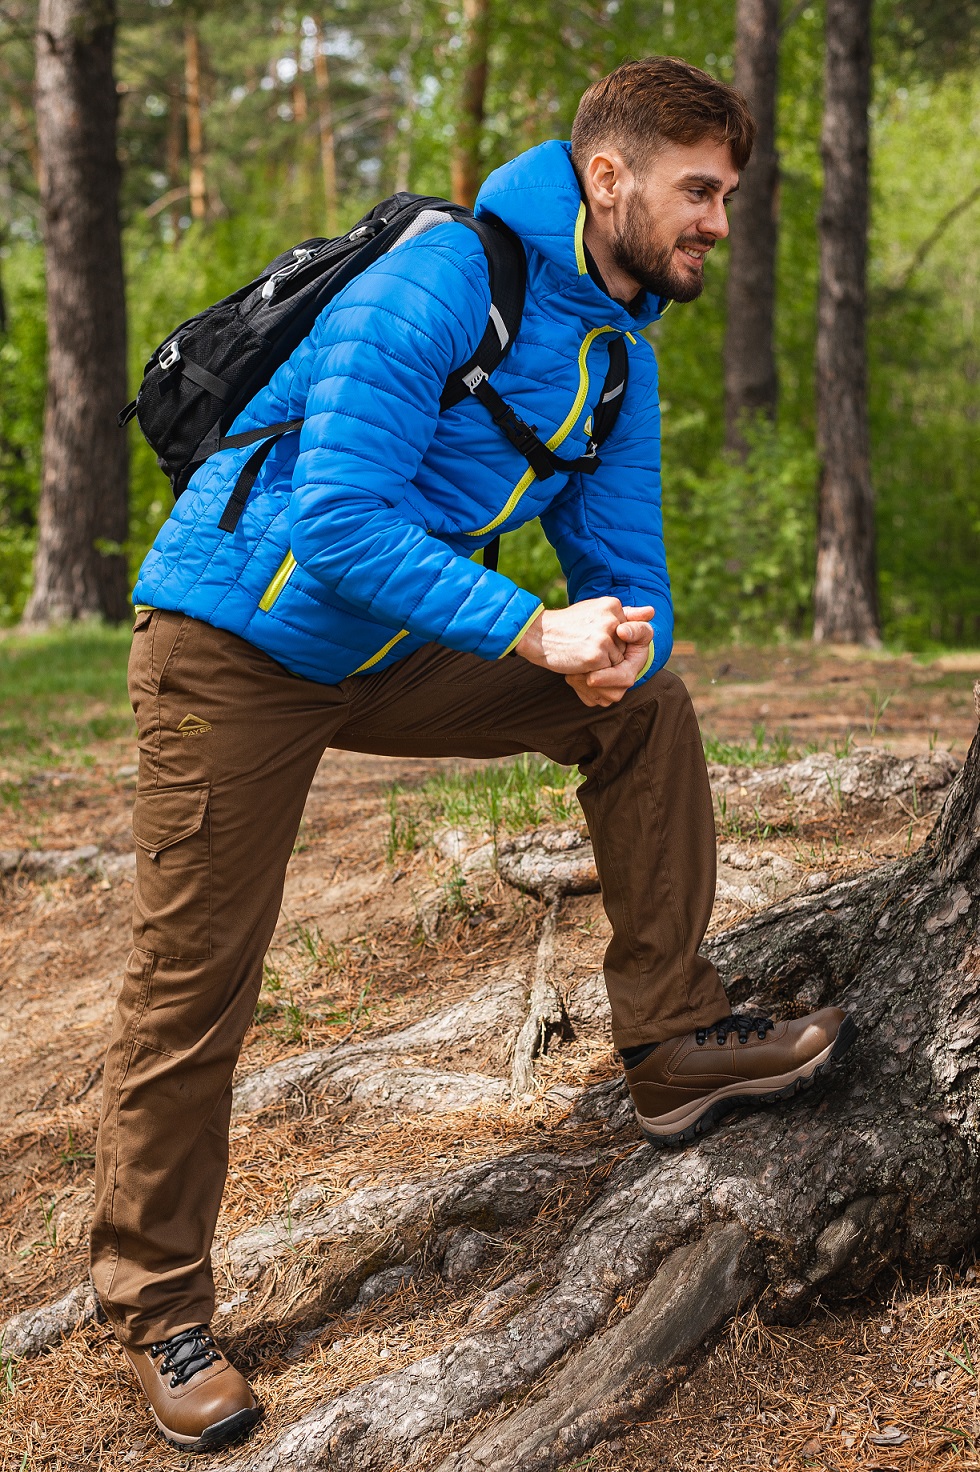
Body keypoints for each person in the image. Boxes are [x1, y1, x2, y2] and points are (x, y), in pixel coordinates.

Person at [90, 54, 855, 1451]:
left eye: (730, 196)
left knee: (649, 710)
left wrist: (623, 640)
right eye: (699, 192)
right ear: (608, 178)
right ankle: (155, 1308)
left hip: (386, 648)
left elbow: (626, 568)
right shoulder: (442, 278)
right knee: (195, 985)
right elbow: (335, 517)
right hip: (230, 650)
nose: (719, 225)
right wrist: (524, 626)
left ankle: (675, 1040)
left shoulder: (617, 351)